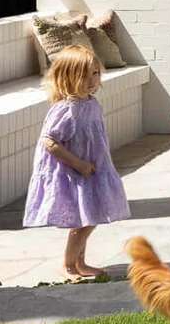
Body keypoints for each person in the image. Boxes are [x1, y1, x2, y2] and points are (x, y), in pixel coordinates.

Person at [23, 45, 130, 277]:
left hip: (93, 170)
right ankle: (69, 265)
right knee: (82, 223)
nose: (92, 81)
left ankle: (80, 263)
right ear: (67, 78)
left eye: (96, 73)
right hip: (75, 173)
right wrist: (78, 164)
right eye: (84, 75)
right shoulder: (67, 109)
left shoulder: (90, 103)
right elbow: (49, 141)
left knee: (89, 217)